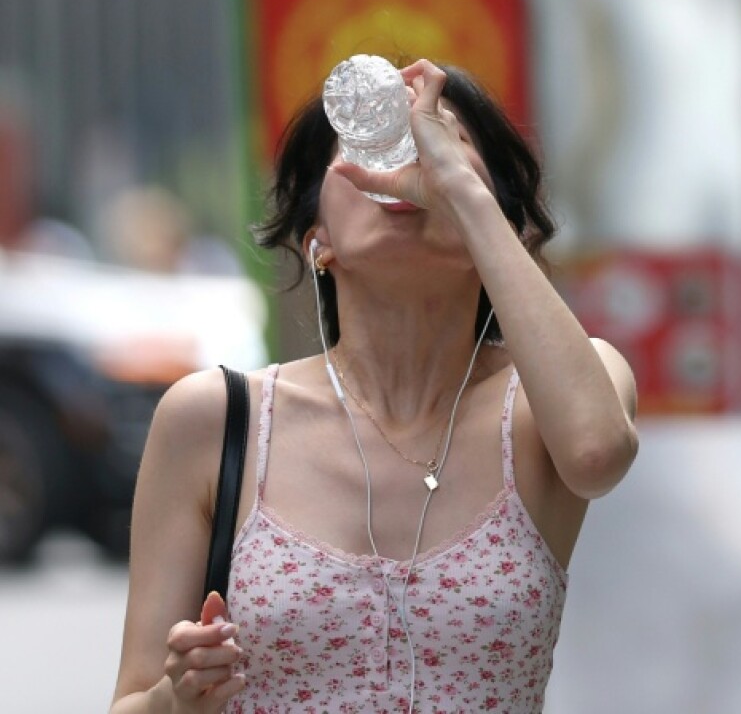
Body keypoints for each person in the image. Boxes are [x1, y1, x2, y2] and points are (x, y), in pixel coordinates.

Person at [110, 59, 639, 713]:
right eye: (367, 148)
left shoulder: (545, 402)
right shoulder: (217, 419)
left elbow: (596, 455)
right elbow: (130, 702)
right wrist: (181, 695)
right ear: (318, 240)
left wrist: (466, 196)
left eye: (436, 146)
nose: (403, 172)